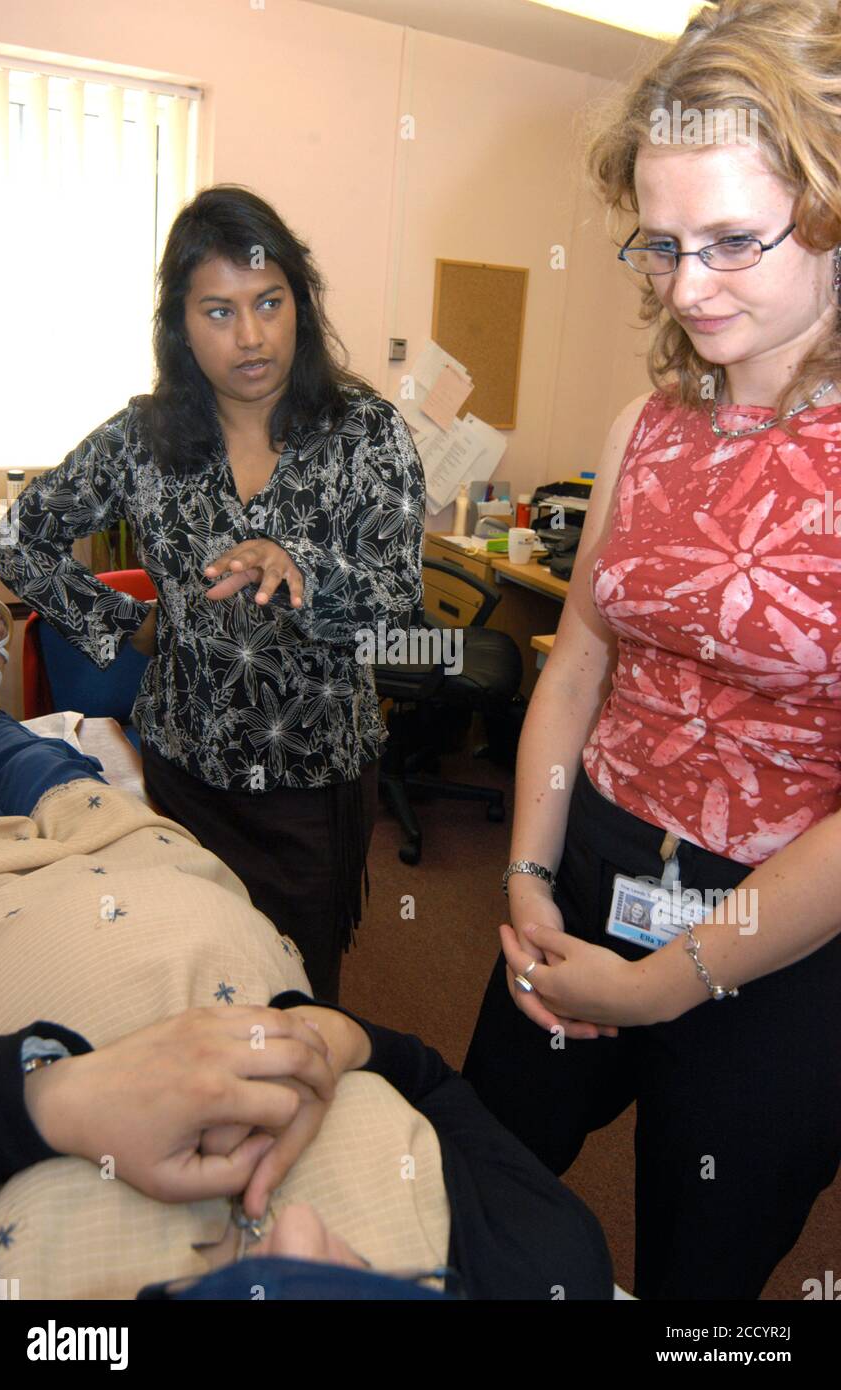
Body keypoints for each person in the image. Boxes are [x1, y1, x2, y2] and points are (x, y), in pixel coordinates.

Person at [463, 0, 841, 1301]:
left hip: (779, 919)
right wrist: (524, 872)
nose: (686, 286)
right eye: (662, 243)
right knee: (479, 1178)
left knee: (703, 1275)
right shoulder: (647, 424)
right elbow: (575, 662)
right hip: (594, 858)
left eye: (735, 240)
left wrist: (670, 984)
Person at [0, 601, 612, 1301]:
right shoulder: (550, 1267)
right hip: (158, 867)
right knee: (38, 761)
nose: (298, 1225)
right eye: (366, 1283)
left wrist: (51, 1096)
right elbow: (429, 1081)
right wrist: (334, 1036)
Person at [0, 185, 426, 1001]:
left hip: (314, 776)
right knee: (193, 977)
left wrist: (303, 577)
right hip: (187, 770)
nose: (252, 336)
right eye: (218, 311)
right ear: (180, 327)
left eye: (270, 302)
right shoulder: (142, 440)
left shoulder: (365, 433)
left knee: (295, 990)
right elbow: (19, 541)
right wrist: (135, 622)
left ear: (301, 301)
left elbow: (398, 605)